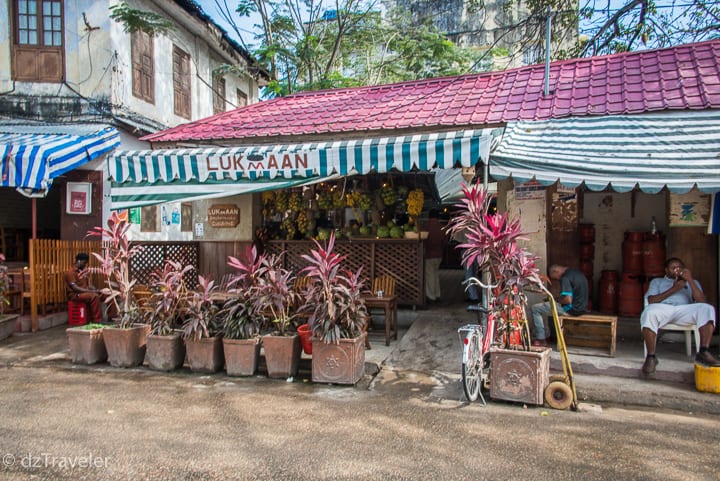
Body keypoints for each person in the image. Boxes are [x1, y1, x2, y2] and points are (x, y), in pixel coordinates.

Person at [640, 257, 720, 374]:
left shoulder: (693, 282)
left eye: (680, 267)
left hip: (685, 310)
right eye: (673, 268)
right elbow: (651, 300)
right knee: (649, 313)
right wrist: (674, 289)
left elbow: (701, 300)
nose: (677, 270)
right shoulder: (657, 282)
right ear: (666, 270)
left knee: (707, 309)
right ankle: (651, 357)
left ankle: (703, 351)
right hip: (664, 308)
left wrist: (690, 280)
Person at [530, 264, 588, 347]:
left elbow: (568, 300)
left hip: (571, 309)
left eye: (554, 278)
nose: (557, 279)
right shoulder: (577, 273)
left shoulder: (565, 278)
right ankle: (546, 335)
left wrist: (556, 301)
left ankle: (541, 339)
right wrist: (556, 299)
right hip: (581, 308)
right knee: (546, 306)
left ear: (555, 271)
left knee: (535, 308)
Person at [65, 252, 103, 323]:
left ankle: (112, 317)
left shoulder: (82, 272)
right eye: (84, 263)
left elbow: (89, 284)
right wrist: (91, 292)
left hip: (85, 293)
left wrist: (96, 289)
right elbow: (75, 288)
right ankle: (97, 320)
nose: (85, 265)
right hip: (76, 295)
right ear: (78, 261)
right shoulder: (70, 273)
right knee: (94, 296)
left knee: (106, 293)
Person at [424, 209, 443, 303]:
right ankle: (437, 294)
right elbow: (445, 240)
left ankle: (431, 296)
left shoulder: (426, 226)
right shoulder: (441, 227)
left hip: (428, 254)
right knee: (435, 275)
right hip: (439, 254)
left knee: (430, 276)